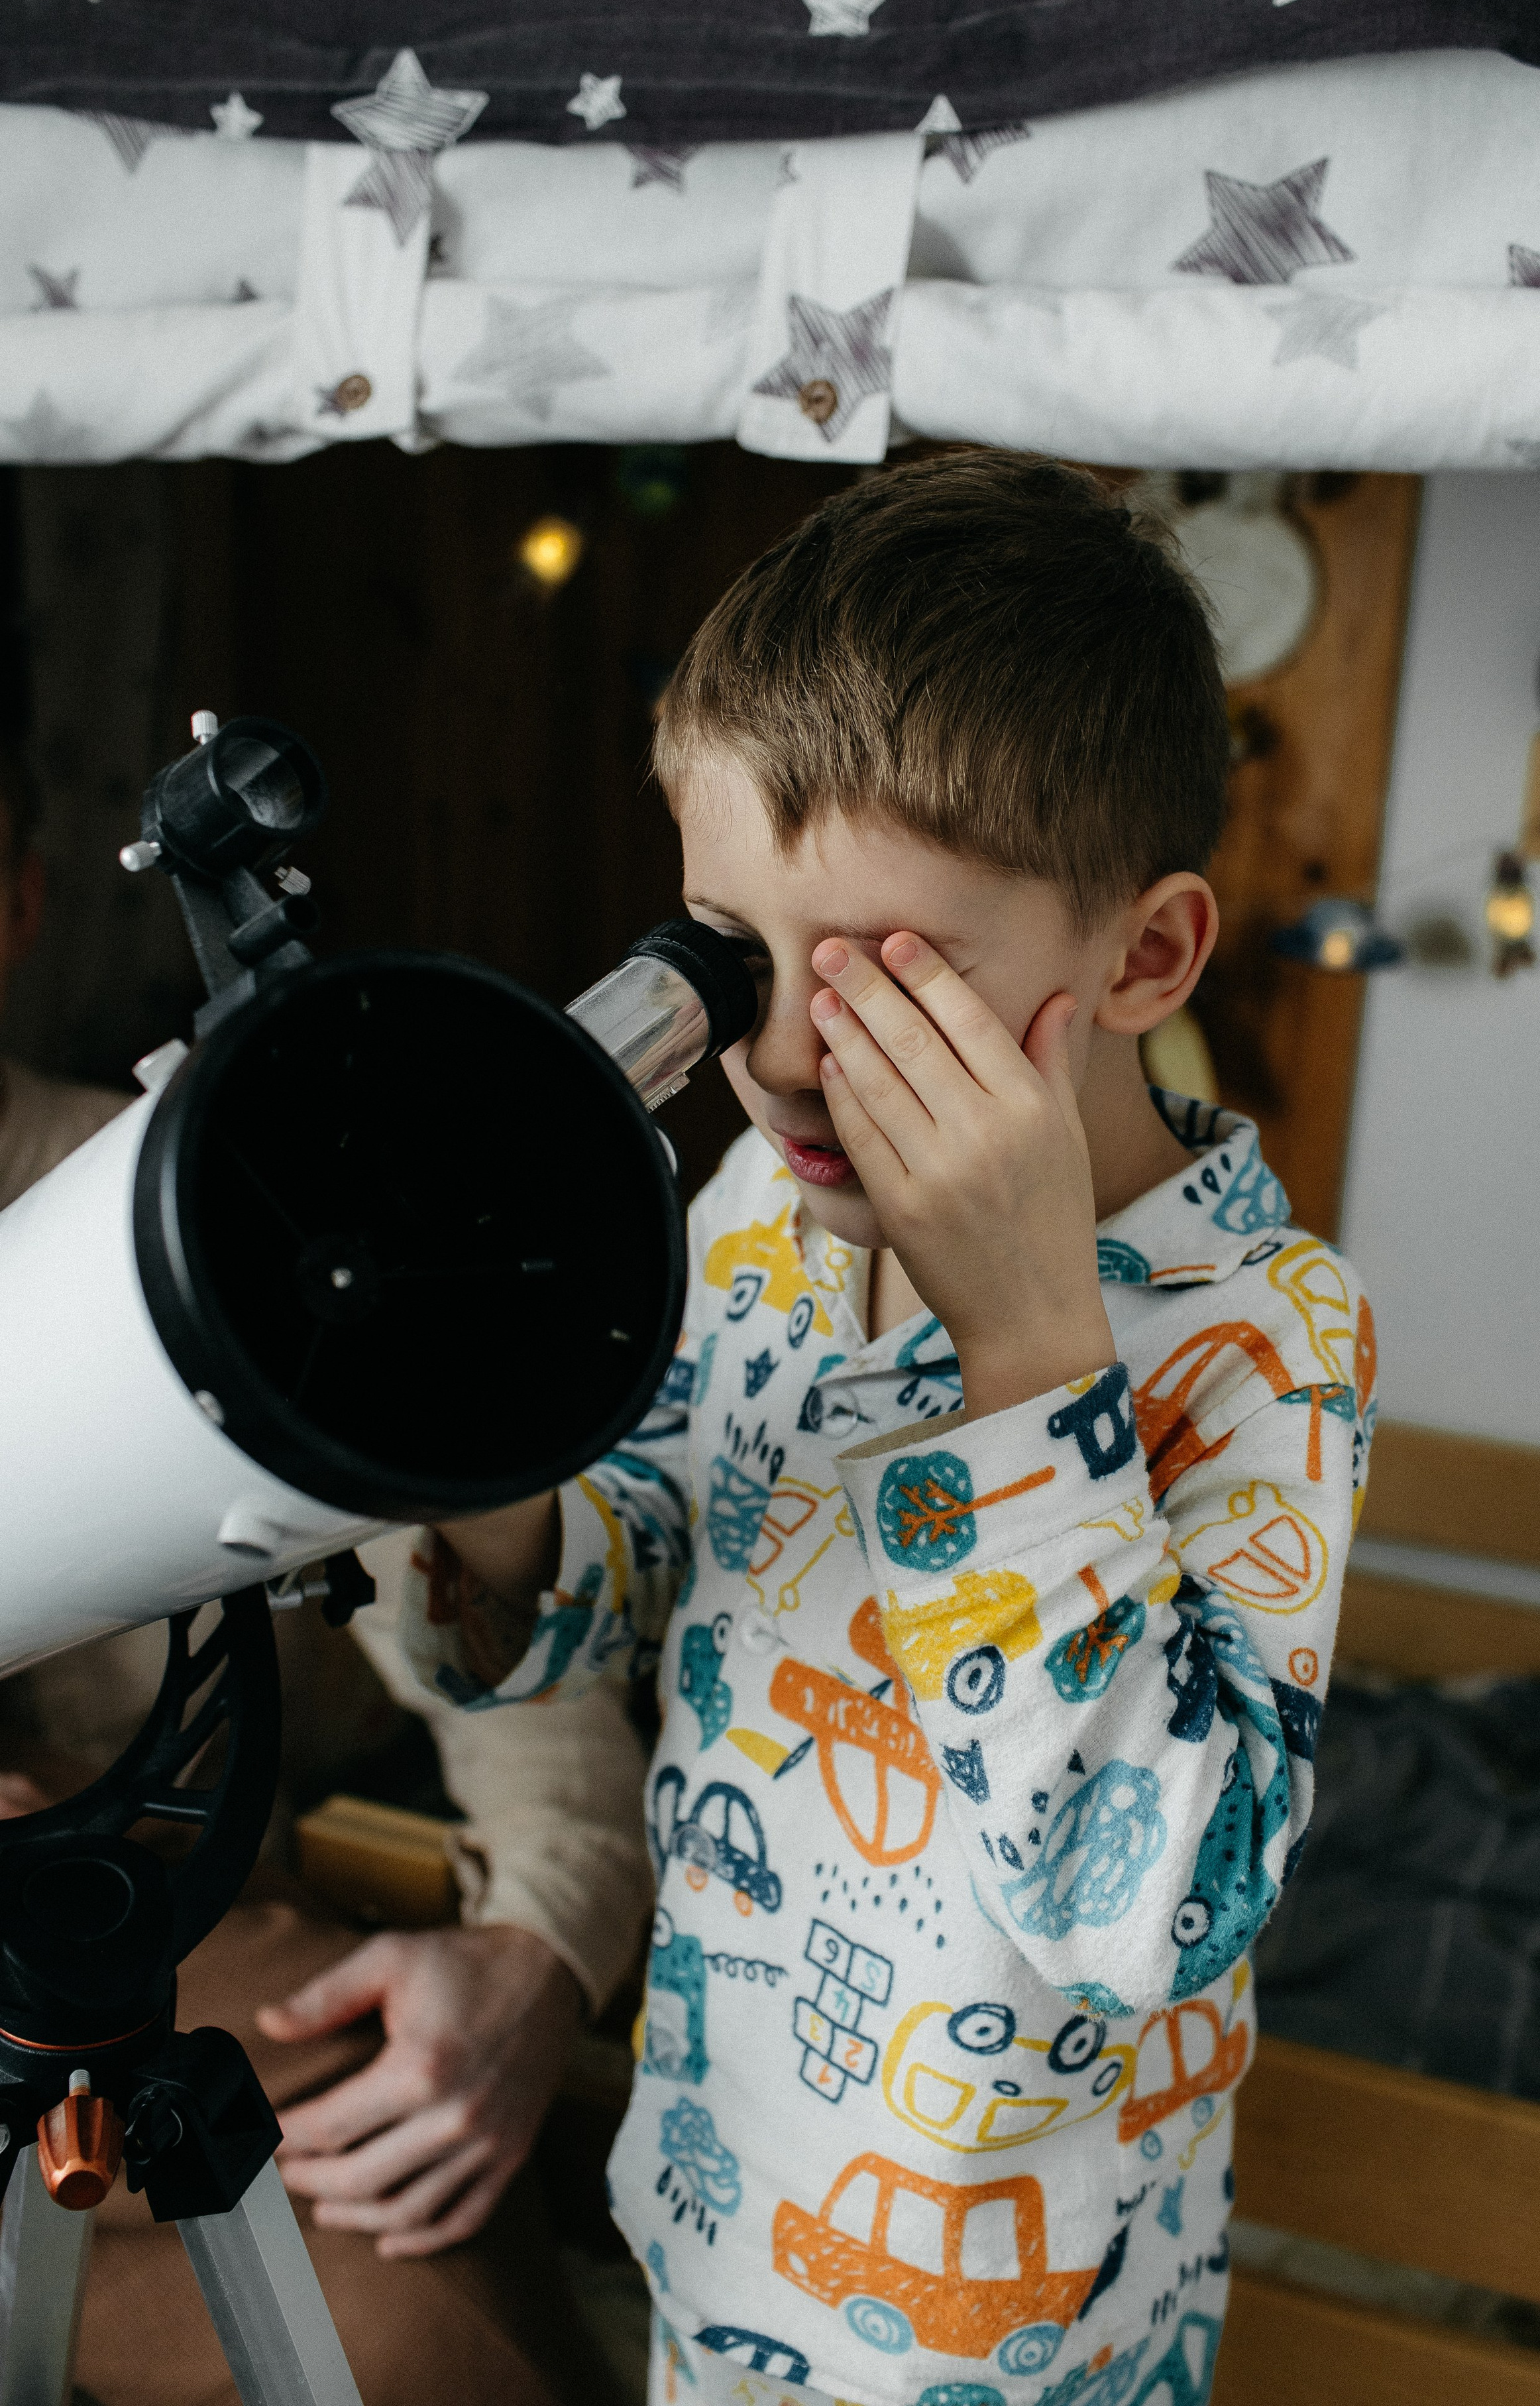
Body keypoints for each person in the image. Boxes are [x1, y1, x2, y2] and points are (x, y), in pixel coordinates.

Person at [402, 451, 1378, 2406]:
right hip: (715, 2230)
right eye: (733, 951)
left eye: (885, 980)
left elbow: (1149, 1909)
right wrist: (486, 1454)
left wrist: (1027, 1346)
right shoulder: (757, 1219)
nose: (772, 1056)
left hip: (1024, 2344)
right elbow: (614, 1597)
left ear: (1147, 957)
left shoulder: (1264, 1339)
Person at [0, 730, 651, 2405]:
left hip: (155, 1984)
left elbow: (532, 1682)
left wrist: (534, 1961)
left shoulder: (245, 1199)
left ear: (19, 902)